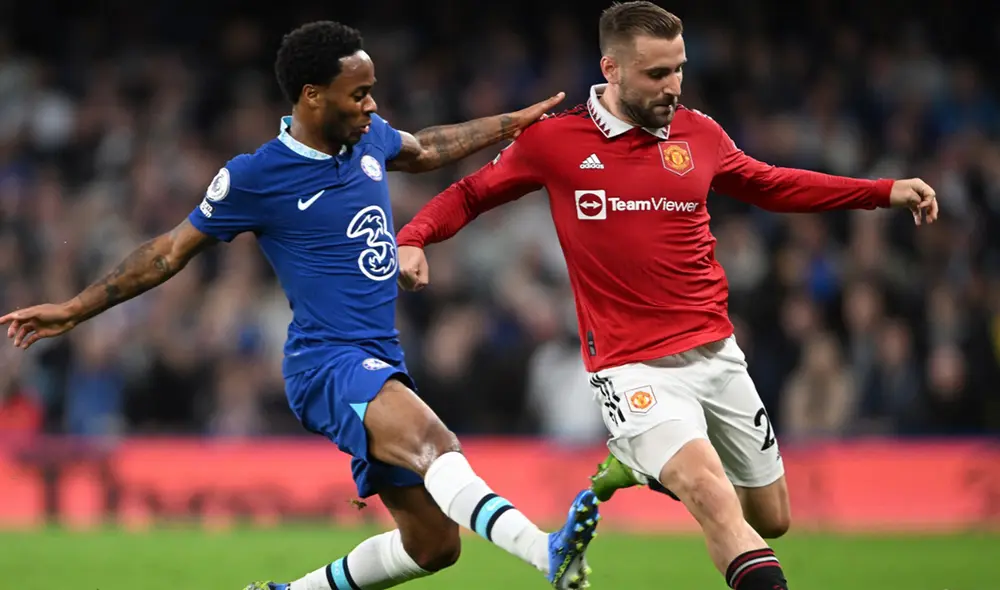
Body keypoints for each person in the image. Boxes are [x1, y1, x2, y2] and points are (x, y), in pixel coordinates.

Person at [0, 21, 600, 590]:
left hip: (379, 356)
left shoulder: (367, 138)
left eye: (372, 94)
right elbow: (166, 254)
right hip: (327, 364)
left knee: (432, 546)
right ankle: (544, 549)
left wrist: (510, 124)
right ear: (313, 97)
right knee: (435, 445)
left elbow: (424, 147)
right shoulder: (257, 176)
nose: (371, 106)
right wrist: (74, 309)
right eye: (359, 94)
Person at [393, 3, 939, 589]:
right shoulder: (556, 142)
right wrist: (414, 237)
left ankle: (638, 464)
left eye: (679, 69)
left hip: (715, 352)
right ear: (613, 69)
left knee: (771, 516)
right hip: (632, 368)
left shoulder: (699, 134)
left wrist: (882, 191)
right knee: (710, 495)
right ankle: (657, 456)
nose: (673, 86)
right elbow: (473, 193)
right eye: (657, 74)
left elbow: (773, 184)